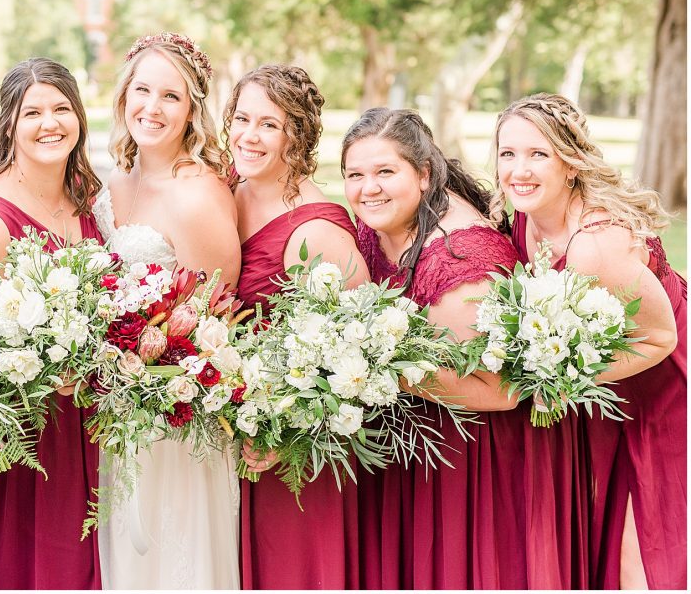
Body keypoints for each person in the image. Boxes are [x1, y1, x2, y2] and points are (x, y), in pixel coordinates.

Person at [493, 93, 685, 590]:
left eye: (538, 154)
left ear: (571, 162)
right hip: (610, 383)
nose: (520, 170)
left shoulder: (594, 243)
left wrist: (558, 378)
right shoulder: (522, 214)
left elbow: (661, 336)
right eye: (508, 154)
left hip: (662, 385)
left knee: (645, 544)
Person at [340, 107, 520, 589]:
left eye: (384, 172)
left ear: (422, 175)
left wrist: (381, 372)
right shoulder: (377, 224)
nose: (367, 188)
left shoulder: (462, 257)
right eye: (354, 175)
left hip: (469, 455)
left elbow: (500, 391)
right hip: (409, 441)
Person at [0, 58, 103, 589]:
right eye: (32, 111)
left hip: (93, 422)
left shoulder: (82, 197)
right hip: (30, 438)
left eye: (61, 108)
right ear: (9, 123)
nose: (49, 123)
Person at [91, 32, 241, 589]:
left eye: (170, 97)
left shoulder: (196, 194)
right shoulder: (115, 181)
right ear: (124, 94)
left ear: (192, 110)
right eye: (142, 90)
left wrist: (151, 375)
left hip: (178, 419)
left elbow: (217, 325)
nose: (151, 108)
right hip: (122, 411)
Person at [225, 64, 371, 588]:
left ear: (299, 134)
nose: (249, 134)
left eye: (269, 124)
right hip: (224, 434)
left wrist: (284, 433)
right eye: (242, 118)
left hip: (290, 451)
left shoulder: (318, 227)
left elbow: (360, 350)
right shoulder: (225, 192)